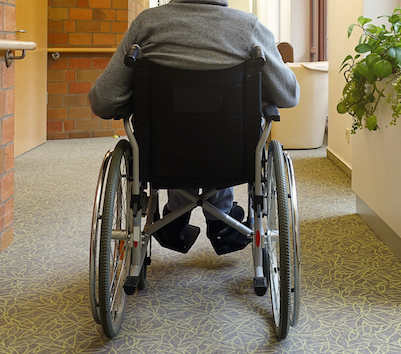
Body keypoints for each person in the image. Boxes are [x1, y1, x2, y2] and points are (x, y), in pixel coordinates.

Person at [88, 0, 300, 255]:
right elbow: (289, 95)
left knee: (178, 134)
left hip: (162, 158)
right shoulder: (248, 27)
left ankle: (174, 216)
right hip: (233, 158)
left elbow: (103, 100)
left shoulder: (147, 24)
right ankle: (221, 220)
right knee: (219, 135)